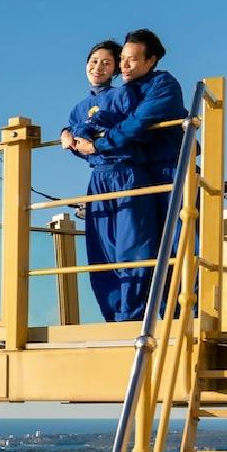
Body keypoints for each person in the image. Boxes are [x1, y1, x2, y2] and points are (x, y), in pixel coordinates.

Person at [67, 29, 188, 321]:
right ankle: (118, 318)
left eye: (125, 61)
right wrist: (70, 134)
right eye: (121, 60)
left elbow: (136, 124)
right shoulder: (86, 104)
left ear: (151, 60)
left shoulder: (152, 87)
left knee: (164, 247)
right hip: (108, 176)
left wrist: (97, 143)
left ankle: (176, 317)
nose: (123, 66)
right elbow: (81, 128)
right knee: (105, 252)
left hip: (157, 172)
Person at [59, 40, 139, 320]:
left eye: (106, 62)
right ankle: (113, 313)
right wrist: (67, 134)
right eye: (94, 61)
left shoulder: (124, 95)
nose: (98, 67)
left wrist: (92, 136)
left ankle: (134, 313)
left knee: (130, 244)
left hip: (126, 174)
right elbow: (81, 147)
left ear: (116, 67)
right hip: (98, 178)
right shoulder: (78, 108)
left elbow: (131, 134)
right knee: (101, 248)